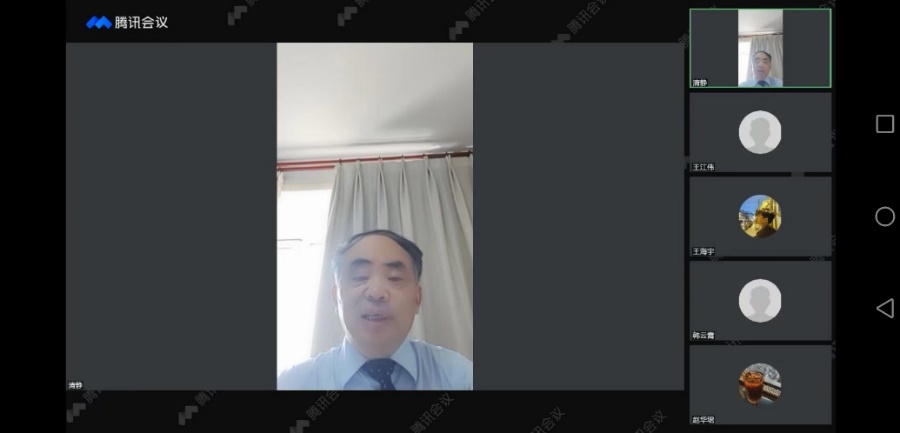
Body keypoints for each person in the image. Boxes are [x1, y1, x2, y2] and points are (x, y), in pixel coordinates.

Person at [277, 229, 473, 390]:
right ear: (336, 298)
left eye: (394, 278)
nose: (376, 292)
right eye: (360, 276)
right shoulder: (292, 384)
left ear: (417, 298)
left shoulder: (460, 377)